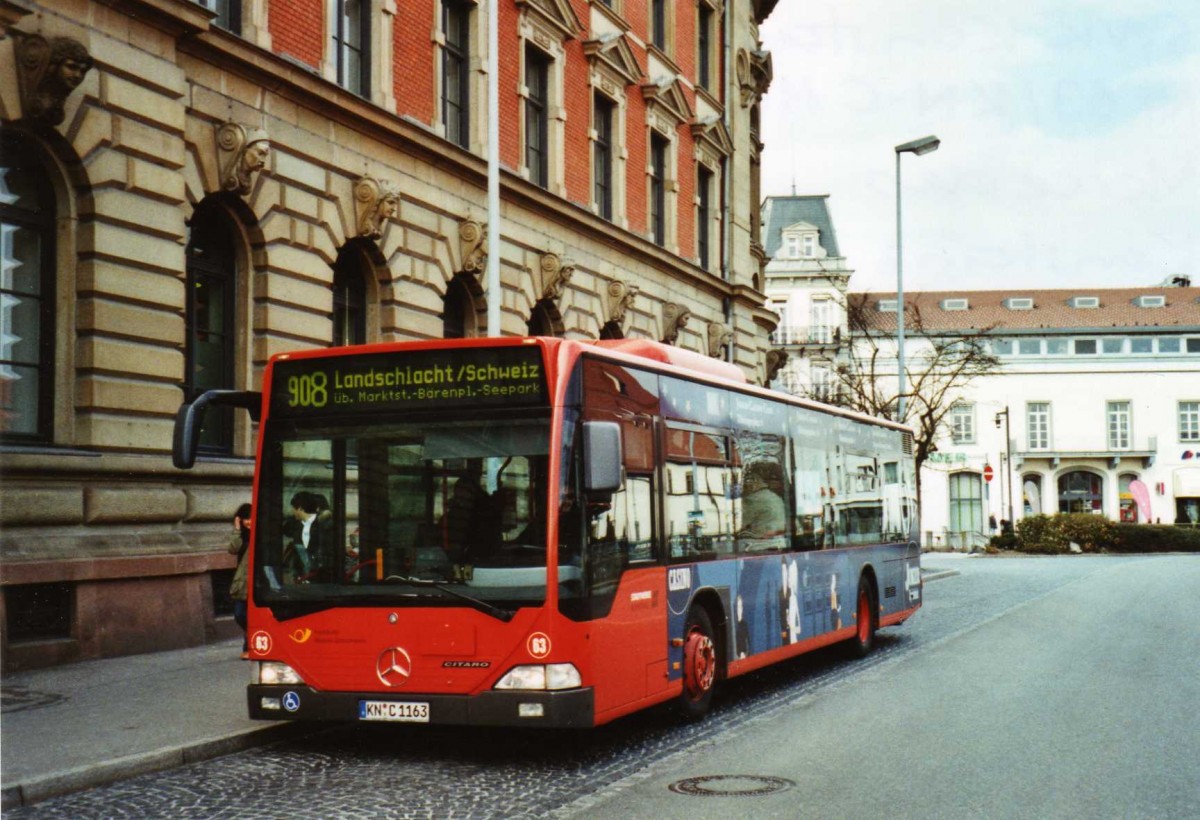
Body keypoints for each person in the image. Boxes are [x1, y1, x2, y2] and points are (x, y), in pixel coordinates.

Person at [283, 491, 334, 581]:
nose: (292, 511)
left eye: (294, 508)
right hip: (301, 579)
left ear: (300, 508)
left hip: (320, 580)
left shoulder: (324, 525)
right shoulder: (295, 525)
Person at [227, 502, 252, 658]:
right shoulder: (241, 535)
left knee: (250, 615)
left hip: (255, 581)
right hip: (242, 581)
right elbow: (232, 549)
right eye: (245, 519)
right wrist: (236, 529)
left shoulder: (260, 534)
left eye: (251, 518)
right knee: (240, 614)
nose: (249, 521)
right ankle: (249, 643)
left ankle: (248, 647)